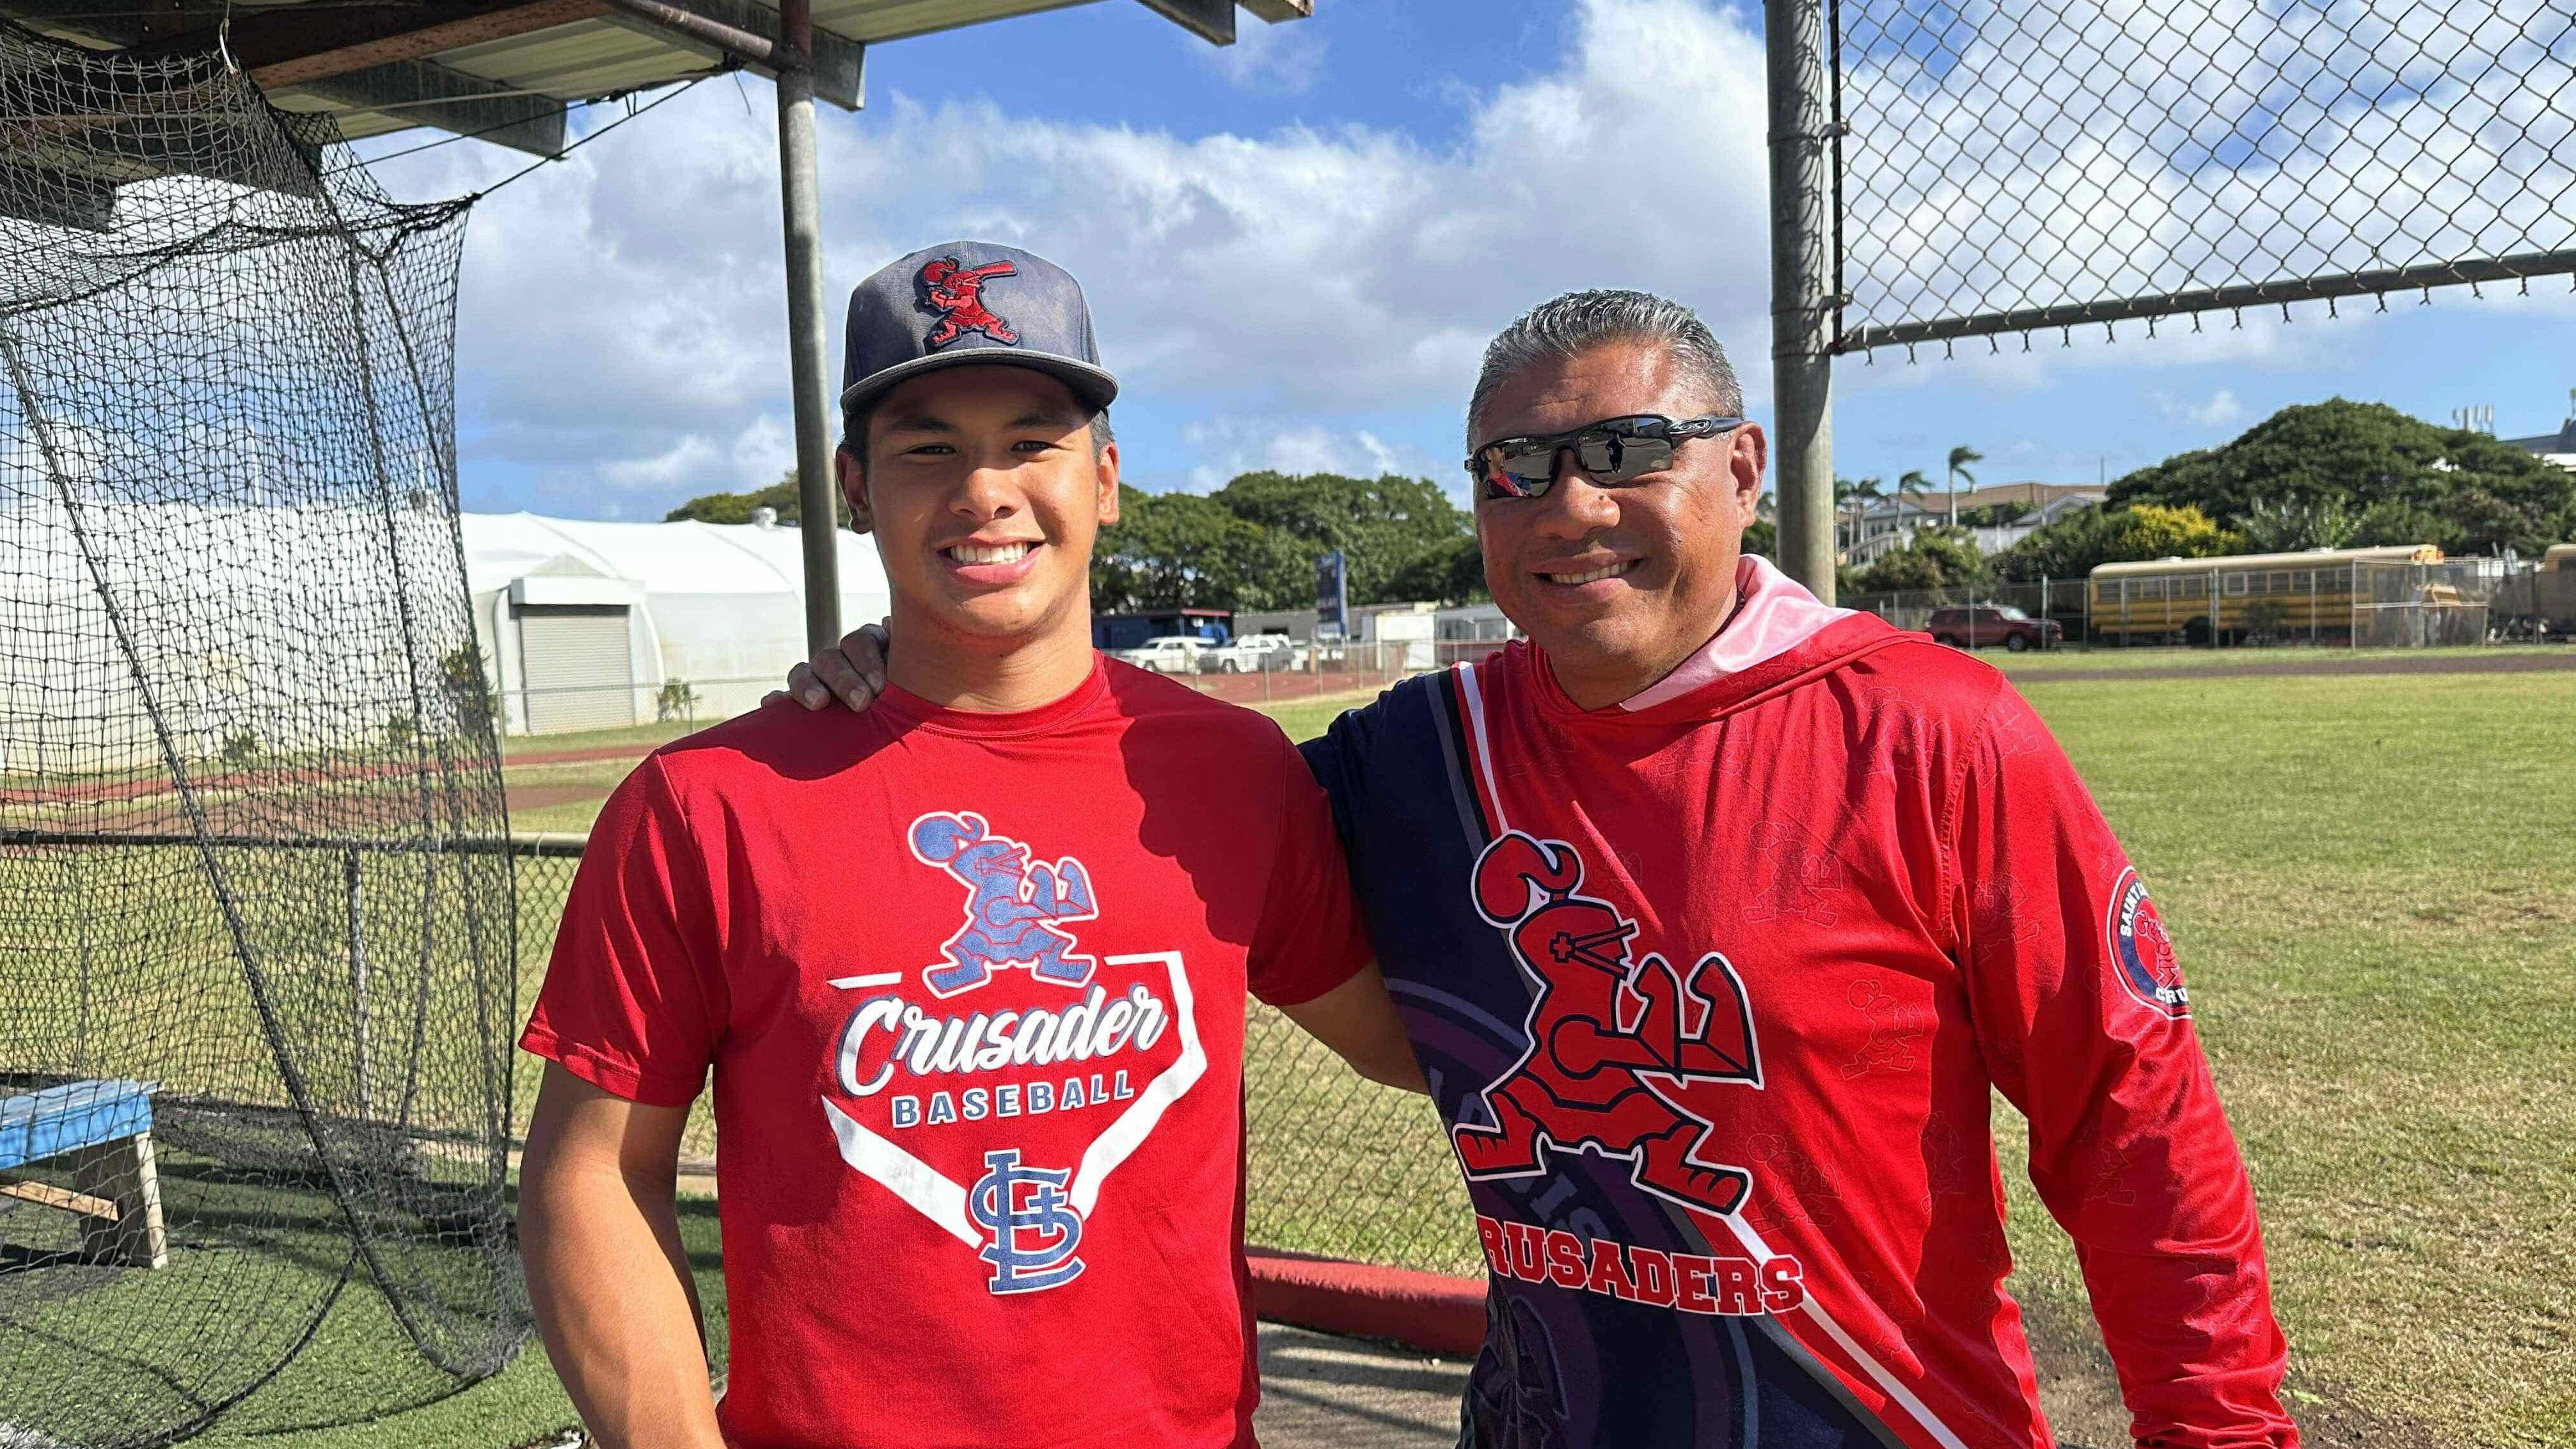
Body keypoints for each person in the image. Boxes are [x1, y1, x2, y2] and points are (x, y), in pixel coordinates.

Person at [785, 288, 2299, 1449]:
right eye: (1515, 467)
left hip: (1880, 1416)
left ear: (1743, 465)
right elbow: (1116, 836)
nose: (1568, 508)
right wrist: (919, 676)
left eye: (1627, 452)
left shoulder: (1925, 729)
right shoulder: (1416, 757)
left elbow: (2133, 1118)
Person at [516, 241, 1421, 1449]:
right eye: (928, 447)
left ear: (1104, 478)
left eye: (1030, 441)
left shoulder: (1233, 772)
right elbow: (591, 1175)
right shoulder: (705, 802)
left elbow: (1410, 1049)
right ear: (854, 486)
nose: (984, 490)